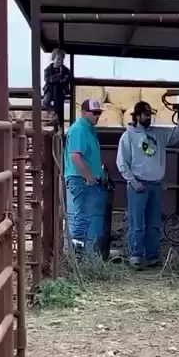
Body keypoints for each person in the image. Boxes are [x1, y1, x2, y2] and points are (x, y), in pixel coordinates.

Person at [116, 100, 179, 267]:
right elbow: (122, 162)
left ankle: (152, 255)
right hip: (138, 184)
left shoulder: (158, 134)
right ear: (137, 116)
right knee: (137, 223)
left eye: (150, 115)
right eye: (145, 115)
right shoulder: (128, 136)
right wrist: (133, 181)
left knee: (154, 223)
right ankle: (136, 255)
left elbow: (178, 135)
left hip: (155, 183)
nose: (148, 117)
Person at [64, 98, 103, 250]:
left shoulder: (89, 129)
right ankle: (77, 254)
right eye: (94, 113)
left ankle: (79, 251)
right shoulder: (79, 129)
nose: (97, 116)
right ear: (84, 112)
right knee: (82, 217)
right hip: (81, 180)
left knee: (84, 217)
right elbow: (75, 156)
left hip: (85, 179)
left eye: (99, 113)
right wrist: (89, 177)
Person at [42, 48, 71, 131]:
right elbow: (48, 79)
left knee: (59, 108)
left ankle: (59, 126)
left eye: (62, 59)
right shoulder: (48, 69)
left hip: (60, 91)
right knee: (45, 102)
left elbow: (69, 78)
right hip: (50, 90)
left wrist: (63, 79)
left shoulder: (65, 70)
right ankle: (54, 114)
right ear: (53, 59)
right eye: (58, 59)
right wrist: (59, 76)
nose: (60, 61)